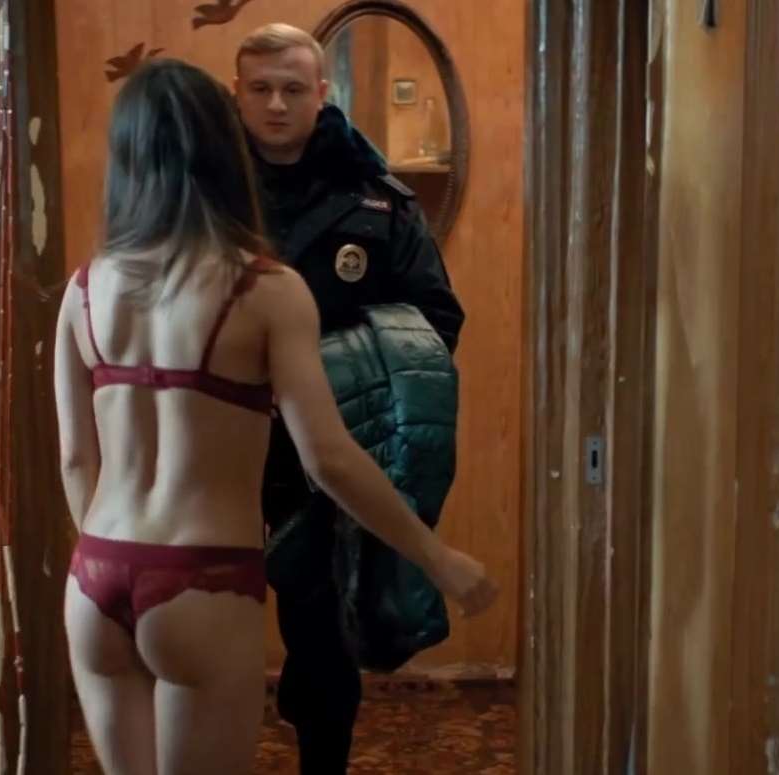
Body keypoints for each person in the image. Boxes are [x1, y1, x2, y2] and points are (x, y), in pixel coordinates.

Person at [54, 58, 496, 775]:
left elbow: (78, 459)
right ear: (224, 148)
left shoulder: (83, 290)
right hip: (200, 578)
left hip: (97, 574)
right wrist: (436, 558)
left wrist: (113, 562)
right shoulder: (265, 290)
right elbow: (330, 458)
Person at [233, 23, 467, 774]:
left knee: (322, 636)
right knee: (209, 631)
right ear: (238, 93)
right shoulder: (203, 194)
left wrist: (338, 375)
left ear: (321, 92)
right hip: (218, 445)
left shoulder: (376, 199)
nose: (276, 104)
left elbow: (436, 321)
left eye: (292, 89)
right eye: (261, 89)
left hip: (332, 450)